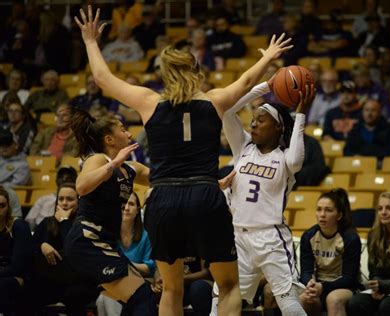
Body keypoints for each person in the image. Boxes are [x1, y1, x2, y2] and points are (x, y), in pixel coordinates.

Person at [73, 6, 292, 315]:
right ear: (196, 71)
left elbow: (103, 79)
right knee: (229, 286)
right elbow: (245, 82)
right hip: (204, 195)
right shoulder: (214, 100)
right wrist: (268, 57)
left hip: (162, 198)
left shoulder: (149, 102)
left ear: (165, 74)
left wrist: (91, 41)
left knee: (172, 289)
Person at [211, 77, 314, 316]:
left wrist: (300, 116)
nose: (253, 125)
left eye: (260, 120)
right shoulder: (243, 148)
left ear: (278, 127)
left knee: (287, 302)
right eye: (252, 120)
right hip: (237, 236)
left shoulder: (285, 158)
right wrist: (267, 86)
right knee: (221, 300)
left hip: (271, 237)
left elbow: (298, 160)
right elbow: (227, 109)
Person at [63, 109, 156, 315]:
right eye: (123, 130)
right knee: (141, 296)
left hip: (104, 243)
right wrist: (113, 163)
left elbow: (163, 177)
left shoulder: (132, 168)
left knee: (140, 297)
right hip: (86, 241)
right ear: (109, 139)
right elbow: (82, 187)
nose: (130, 134)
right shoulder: (97, 160)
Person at [31, 182, 100, 314]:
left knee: (74, 293)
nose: (64, 203)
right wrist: (42, 245)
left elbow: (73, 248)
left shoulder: (86, 224)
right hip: (51, 280)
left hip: (77, 281)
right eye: (61, 199)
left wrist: (64, 221)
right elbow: (31, 247)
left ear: (79, 202)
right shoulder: (47, 222)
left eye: (70, 199)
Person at [299, 189, 361, 316]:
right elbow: (306, 271)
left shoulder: (350, 238)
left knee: (334, 299)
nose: (322, 214)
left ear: (339, 215)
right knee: (303, 299)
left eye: (328, 210)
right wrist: (309, 284)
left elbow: (349, 278)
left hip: (343, 287)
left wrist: (322, 287)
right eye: (319, 209)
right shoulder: (308, 236)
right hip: (318, 286)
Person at [96, 192, 156, 316]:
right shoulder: (109, 234)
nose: (126, 208)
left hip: (141, 283)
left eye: (131, 204)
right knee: (104, 297)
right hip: (113, 282)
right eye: (123, 205)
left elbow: (149, 268)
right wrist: (129, 266)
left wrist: (124, 264)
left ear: (138, 210)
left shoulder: (146, 235)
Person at [0, 185, 33, 313]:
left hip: (19, 278)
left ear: (8, 207)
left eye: (2, 206)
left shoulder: (18, 226)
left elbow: (18, 267)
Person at [25, 166, 78, 231]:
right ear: (56, 180)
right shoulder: (43, 199)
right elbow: (30, 219)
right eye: (61, 177)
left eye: (69, 177)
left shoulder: (81, 203)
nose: (64, 179)